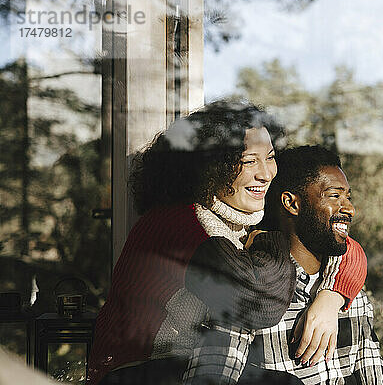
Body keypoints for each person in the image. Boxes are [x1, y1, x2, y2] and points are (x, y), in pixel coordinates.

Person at [87, 102, 367, 385]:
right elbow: (258, 304)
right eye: (249, 161)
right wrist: (271, 243)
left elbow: (344, 246)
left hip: (193, 366)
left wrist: (331, 299)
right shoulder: (179, 223)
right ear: (209, 167)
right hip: (133, 371)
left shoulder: (242, 217)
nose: (266, 174)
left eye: (269, 158)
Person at [227, 145, 383, 384]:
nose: (350, 208)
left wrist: (332, 297)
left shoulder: (352, 295)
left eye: (348, 197)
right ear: (292, 203)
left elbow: (373, 373)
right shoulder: (247, 289)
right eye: (334, 195)